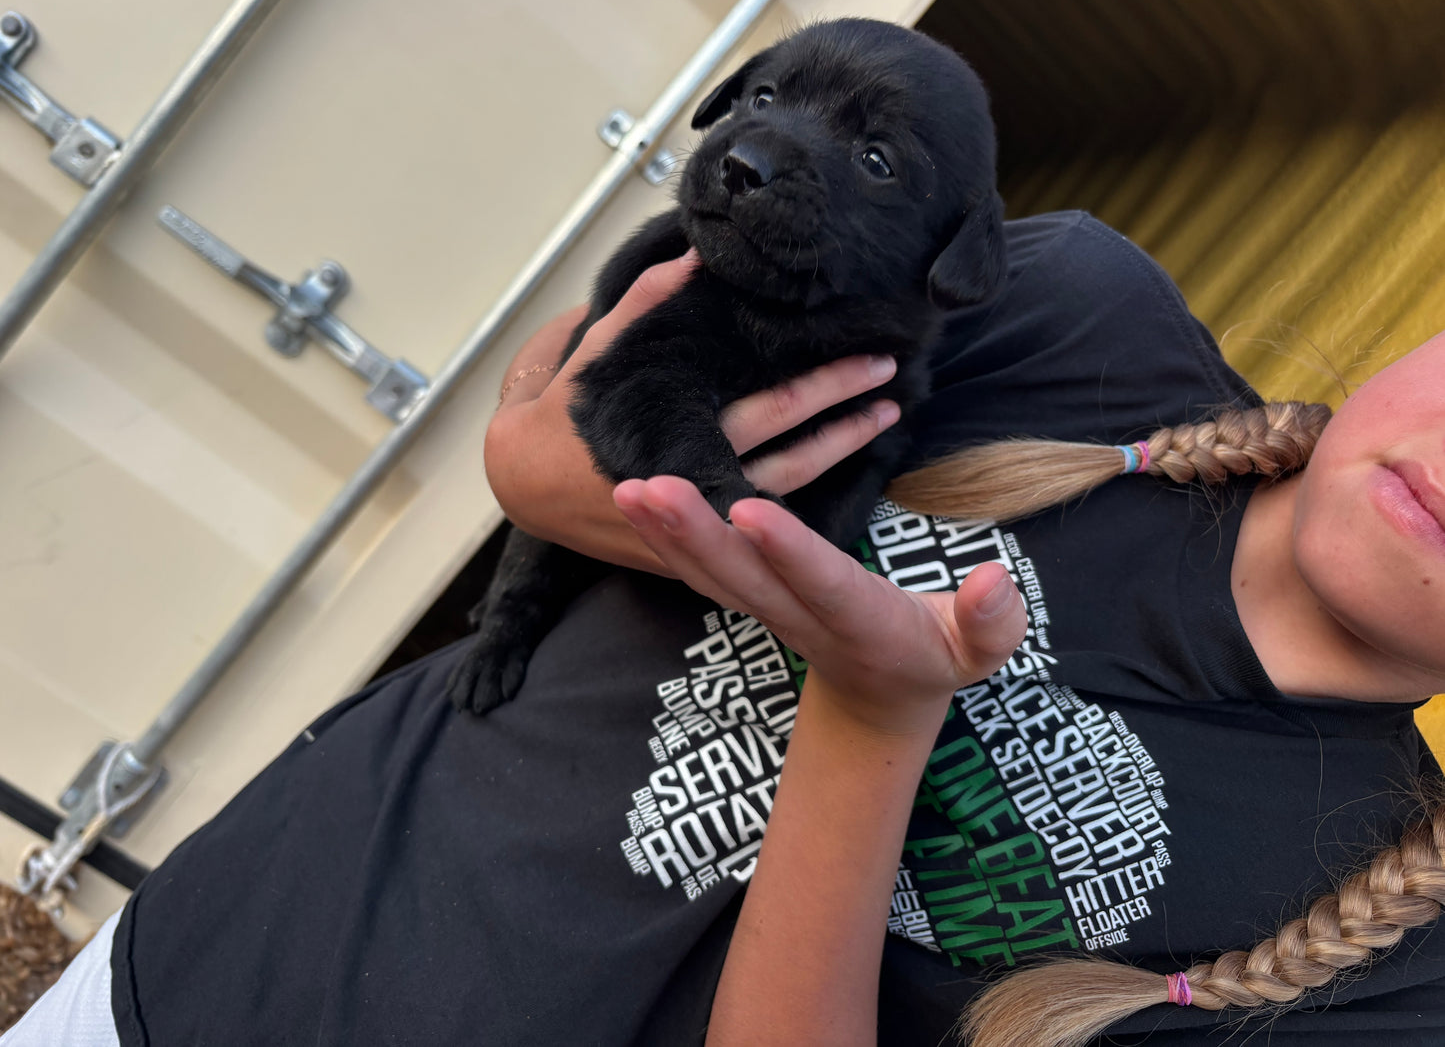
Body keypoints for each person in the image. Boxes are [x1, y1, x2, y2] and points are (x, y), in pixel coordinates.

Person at [6, 210, 1445, 1046]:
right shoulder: (1076, 320)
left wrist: (876, 721)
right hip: (173, 985)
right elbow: (552, 446)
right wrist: (564, 463)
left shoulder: (1401, 976)